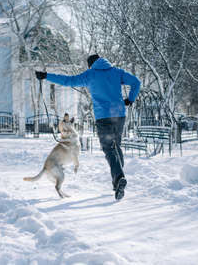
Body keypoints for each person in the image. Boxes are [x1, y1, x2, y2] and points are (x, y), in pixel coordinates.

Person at [35, 54, 141, 200]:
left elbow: (68, 80)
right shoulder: (117, 72)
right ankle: (117, 181)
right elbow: (136, 82)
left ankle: (119, 178)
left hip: (104, 117)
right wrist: (130, 99)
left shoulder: (91, 74)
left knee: (109, 149)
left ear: (91, 65)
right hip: (119, 115)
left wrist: (46, 76)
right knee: (116, 147)